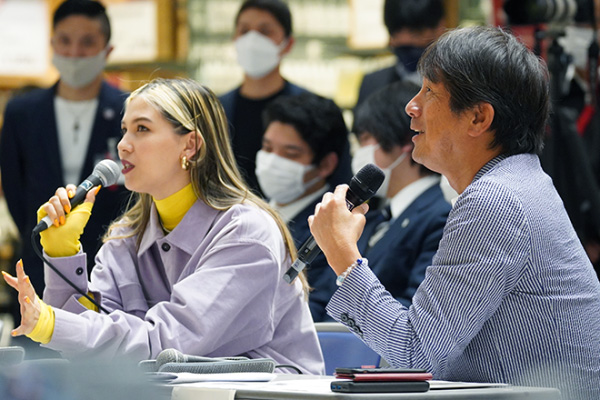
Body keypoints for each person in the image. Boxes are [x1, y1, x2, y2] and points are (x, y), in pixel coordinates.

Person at [308, 26, 600, 399]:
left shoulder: (495, 201)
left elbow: (414, 356)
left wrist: (343, 255)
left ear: (478, 118)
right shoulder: (517, 182)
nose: (411, 107)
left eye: (429, 92)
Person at [2, 78, 325, 375]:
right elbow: (86, 344)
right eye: (124, 129)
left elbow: (168, 343)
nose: (123, 145)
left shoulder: (246, 233)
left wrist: (51, 323)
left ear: (190, 146)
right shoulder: (126, 236)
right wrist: (62, 254)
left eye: (142, 129)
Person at [0, 0, 129, 327]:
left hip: (112, 270)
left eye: (87, 42)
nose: (74, 51)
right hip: (39, 264)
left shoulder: (129, 111)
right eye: (65, 41)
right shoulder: (22, 114)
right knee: (37, 373)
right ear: (52, 45)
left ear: (107, 49)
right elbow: (17, 194)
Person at [219, 0, 351, 197]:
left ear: (288, 44)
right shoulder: (215, 109)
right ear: (234, 39)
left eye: (265, 31)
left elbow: (340, 184)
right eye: (244, 31)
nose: (252, 40)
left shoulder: (318, 111)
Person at [352, 81, 450, 308]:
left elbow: (416, 309)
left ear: (406, 141)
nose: (359, 152)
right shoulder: (378, 216)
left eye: (366, 139)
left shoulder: (439, 216)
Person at [256, 92, 349, 322]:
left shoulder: (332, 229)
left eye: (290, 154)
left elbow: (316, 310)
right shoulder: (250, 212)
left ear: (326, 164)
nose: (273, 162)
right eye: (267, 149)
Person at [355, 0, 445, 107]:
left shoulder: (456, 84)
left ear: (440, 27)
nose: (405, 40)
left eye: (415, 32)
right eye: (395, 32)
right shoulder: (372, 84)